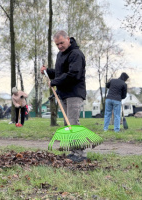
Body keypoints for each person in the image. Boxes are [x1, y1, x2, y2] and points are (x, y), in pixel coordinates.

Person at [40, 30, 86, 162]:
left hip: (74, 93)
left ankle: (80, 154)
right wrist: (48, 72)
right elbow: (60, 73)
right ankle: (74, 151)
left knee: (73, 123)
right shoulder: (61, 55)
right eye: (57, 44)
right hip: (64, 93)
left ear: (68, 39)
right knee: (68, 123)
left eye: (61, 43)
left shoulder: (76, 54)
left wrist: (54, 82)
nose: (60, 46)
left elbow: (73, 74)